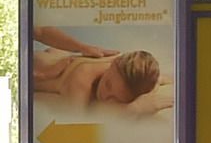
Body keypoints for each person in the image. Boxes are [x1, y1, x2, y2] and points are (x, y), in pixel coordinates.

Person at [30, 26, 163, 108]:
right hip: (37, 69)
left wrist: (82, 48)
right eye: (108, 85)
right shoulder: (81, 82)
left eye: (115, 99)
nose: (105, 96)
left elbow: (156, 79)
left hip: (56, 57)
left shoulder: (124, 63)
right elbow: (76, 129)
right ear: (113, 64)